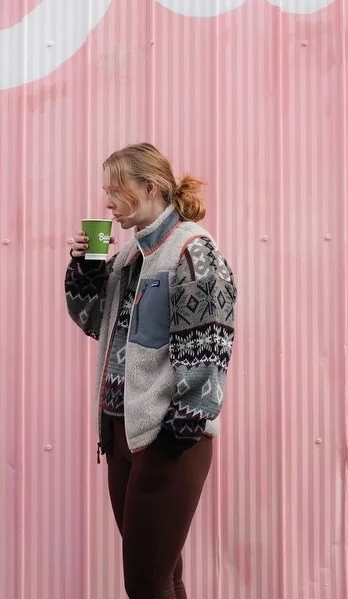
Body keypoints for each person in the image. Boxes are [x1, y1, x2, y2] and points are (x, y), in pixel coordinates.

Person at [64, 143, 237, 599]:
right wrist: (85, 269)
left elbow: (212, 341)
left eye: (116, 191)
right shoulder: (127, 259)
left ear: (150, 187)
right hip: (122, 430)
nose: (108, 203)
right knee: (162, 578)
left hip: (168, 435)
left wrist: (182, 426)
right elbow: (94, 324)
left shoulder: (193, 251)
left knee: (146, 581)